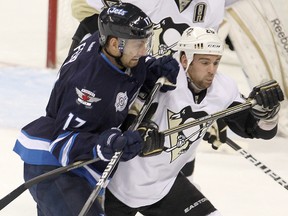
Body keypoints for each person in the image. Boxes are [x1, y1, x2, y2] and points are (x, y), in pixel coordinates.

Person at [13, 3, 179, 216]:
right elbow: (62, 144)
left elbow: (127, 74)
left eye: (145, 43)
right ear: (114, 43)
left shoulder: (111, 49)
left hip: (78, 165)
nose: (144, 50)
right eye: (138, 45)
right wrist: (106, 143)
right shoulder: (87, 88)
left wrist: (151, 68)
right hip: (52, 165)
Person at [103, 26, 284, 216]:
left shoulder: (223, 88)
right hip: (118, 187)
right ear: (184, 60)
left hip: (164, 186)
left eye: (216, 62)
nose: (211, 70)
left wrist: (267, 112)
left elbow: (260, 130)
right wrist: (137, 132)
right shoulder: (163, 79)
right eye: (204, 62)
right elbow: (118, 115)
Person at [69, 0, 241, 178]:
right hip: (124, 92)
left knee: (173, 172)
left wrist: (203, 104)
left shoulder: (213, 6)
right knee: (99, 163)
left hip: (171, 102)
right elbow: (90, 14)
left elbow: (201, 56)